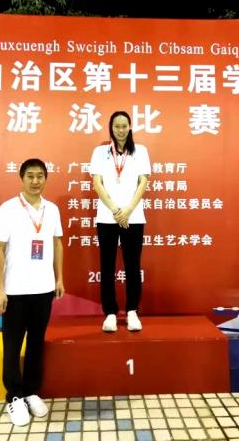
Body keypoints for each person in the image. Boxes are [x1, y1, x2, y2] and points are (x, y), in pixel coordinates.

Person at [0, 158, 65, 426]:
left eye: (40, 176)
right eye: (30, 176)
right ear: (21, 178)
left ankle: (32, 391)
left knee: (36, 342)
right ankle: (14, 396)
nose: (36, 181)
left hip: (43, 288)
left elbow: (57, 244)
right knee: (12, 345)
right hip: (15, 289)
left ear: (46, 178)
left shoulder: (52, 210)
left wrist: (59, 278)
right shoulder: (7, 209)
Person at [90, 111, 151, 332]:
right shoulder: (100, 152)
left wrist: (128, 210)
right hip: (107, 216)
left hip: (133, 217)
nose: (121, 130)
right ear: (111, 128)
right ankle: (110, 313)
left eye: (124, 126)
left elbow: (143, 183)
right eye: (117, 126)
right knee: (107, 266)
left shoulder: (140, 151)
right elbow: (97, 183)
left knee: (132, 265)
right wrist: (116, 210)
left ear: (130, 127)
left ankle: (132, 310)